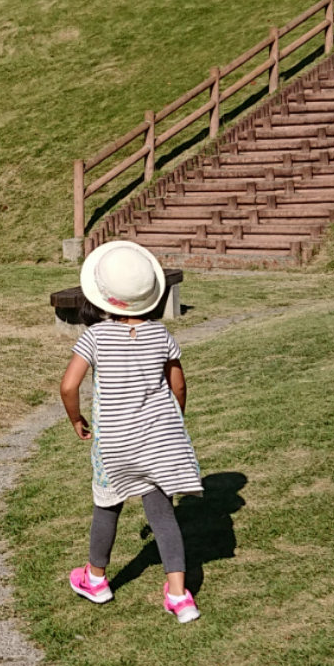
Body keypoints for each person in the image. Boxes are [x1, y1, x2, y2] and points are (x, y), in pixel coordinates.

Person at [59, 240, 203, 624]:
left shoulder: (94, 337)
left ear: (102, 295)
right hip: (156, 440)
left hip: (115, 443)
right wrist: (176, 420)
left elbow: (69, 386)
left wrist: (76, 419)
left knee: (107, 505)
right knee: (162, 514)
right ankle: (179, 595)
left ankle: (96, 579)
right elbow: (179, 385)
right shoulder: (161, 336)